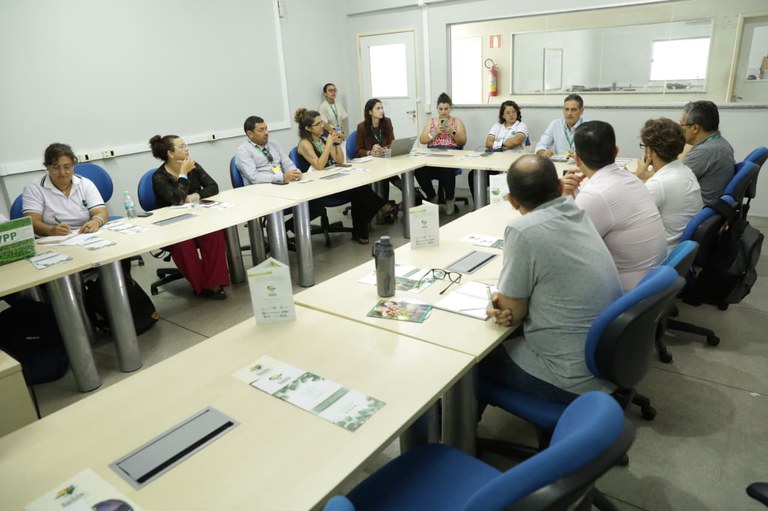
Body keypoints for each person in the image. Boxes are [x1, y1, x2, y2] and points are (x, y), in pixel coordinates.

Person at [482, 154, 622, 402]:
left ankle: (459, 436)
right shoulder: (576, 211)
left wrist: (498, 304)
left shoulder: (522, 231)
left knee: (471, 361)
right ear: (560, 186)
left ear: (513, 201)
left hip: (569, 377)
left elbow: (512, 313)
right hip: (607, 361)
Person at [562, 121, 666, 292]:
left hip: (626, 291)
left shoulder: (595, 195)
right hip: (653, 280)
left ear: (577, 159)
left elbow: (567, 249)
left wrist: (564, 198)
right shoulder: (630, 177)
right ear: (616, 151)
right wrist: (571, 195)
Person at [294, 108, 392, 244]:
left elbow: (339, 161)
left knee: (358, 189)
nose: (322, 126)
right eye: (318, 124)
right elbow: (319, 165)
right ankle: (378, 208)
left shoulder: (322, 139)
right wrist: (328, 144)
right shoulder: (304, 144)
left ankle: (362, 229)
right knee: (360, 192)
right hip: (317, 187)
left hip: (330, 179)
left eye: (322, 122)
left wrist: (336, 143)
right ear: (308, 128)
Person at [149, 135, 229, 299]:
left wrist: (193, 197)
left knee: (214, 233)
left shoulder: (193, 165)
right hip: (172, 226)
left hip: (197, 218)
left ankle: (213, 282)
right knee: (183, 243)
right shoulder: (159, 177)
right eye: (182, 146)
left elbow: (213, 186)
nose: (187, 148)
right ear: (171, 153)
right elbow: (177, 199)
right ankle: (200, 285)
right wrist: (183, 174)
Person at [634, 118, 703, 249]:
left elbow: (625, 217)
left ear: (649, 151)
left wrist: (637, 175)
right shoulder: (686, 171)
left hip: (662, 254)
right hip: (681, 252)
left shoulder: (658, 184)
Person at [23, 143, 108, 236]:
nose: (62, 173)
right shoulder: (34, 188)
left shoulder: (85, 184)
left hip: (84, 234)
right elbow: (32, 222)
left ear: (73, 166)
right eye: (55, 168)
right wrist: (50, 230)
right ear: (47, 167)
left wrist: (96, 221)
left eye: (67, 167)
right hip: (51, 238)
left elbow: (101, 212)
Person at [415, 92, 467, 215]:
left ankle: (449, 200)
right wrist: (434, 133)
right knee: (419, 171)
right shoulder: (431, 122)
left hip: (451, 153)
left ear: (450, 108)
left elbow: (463, 141)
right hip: (434, 154)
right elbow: (422, 140)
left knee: (447, 170)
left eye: (446, 109)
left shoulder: (456, 121)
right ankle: (432, 196)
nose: (443, 112)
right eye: (441, 109)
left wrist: (452, 132)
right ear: (437, 108)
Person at [469, 100, 529, 201]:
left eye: (514, 112)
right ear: (502, 115)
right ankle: (478, 205)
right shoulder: (497, 126)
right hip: (496, 162)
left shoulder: (521, 126)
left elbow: (516, 141)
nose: (511, 115)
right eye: (508, 112)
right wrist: (505, 144)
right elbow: (488, 143)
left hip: (513, 164)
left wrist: (498, 143)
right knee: (473, 175)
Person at [679, 100, 735, 205]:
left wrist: (641, 172)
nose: (679, 130)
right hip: (712, 208)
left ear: (695, 128)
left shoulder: (704, 151)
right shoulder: (719, 143)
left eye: (681, 126)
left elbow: (672, 182)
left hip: (696, 210)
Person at [236, 116, 304, 184]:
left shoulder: (274, 144)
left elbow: (287, 163)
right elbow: (254, 177)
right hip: (260, 188)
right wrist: (282, 177)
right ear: (250, 134)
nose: (266, 133)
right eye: (261, 130)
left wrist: (295, 173)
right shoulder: (243, 151)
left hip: (281, 183)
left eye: (266, 128)